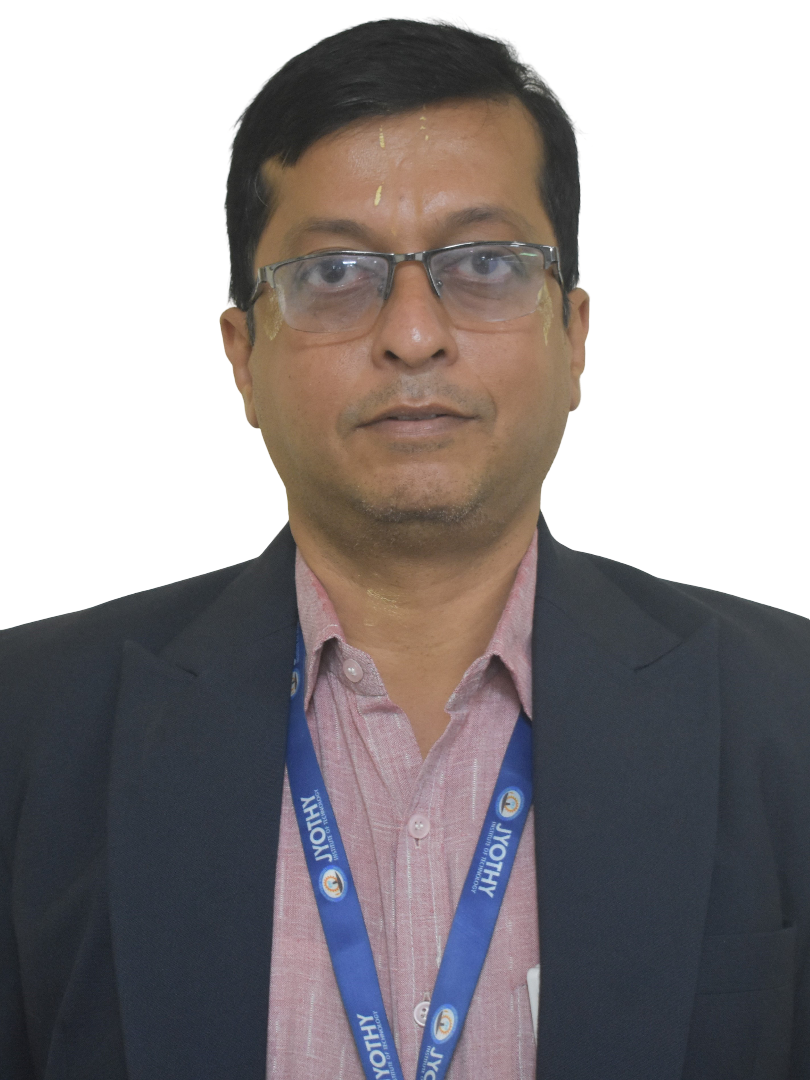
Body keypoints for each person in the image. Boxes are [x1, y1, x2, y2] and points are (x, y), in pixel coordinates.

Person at [1, 18, 808, 1080]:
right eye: (336, 271)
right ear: (244, 356)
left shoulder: (787, 712)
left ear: (574, 336)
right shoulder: (29, 727)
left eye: (485, 263)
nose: (414, 334)